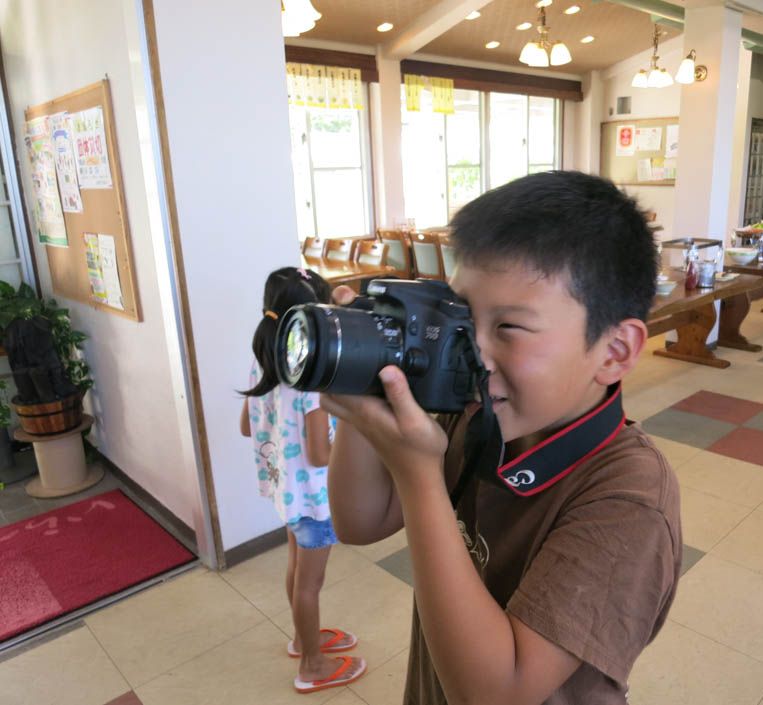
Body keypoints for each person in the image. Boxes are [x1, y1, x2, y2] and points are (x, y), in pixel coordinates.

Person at [323, 171, 682, 704]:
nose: (473, 354)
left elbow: (495, 694)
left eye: (509, 328)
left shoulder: (629, 499)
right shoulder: (471, 412)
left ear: (615, 351)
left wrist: (419, 474)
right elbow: (357, 522)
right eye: (464, 320)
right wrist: (365, 382)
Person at [239, 266, 366, 694]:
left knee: (296, 570)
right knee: (310, 583)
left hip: (285, 492)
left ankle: (300, 638)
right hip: (314, 499)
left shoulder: (264, 359)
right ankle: (312, 665)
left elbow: (246, 425)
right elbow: (319, 455)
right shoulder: (312, 380)